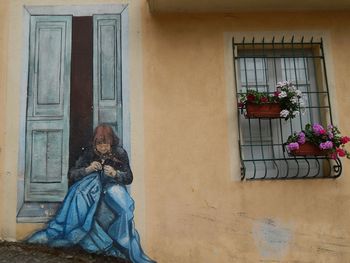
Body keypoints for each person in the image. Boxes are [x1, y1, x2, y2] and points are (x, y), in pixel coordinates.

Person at [27, 124, 156, 263]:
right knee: (80, 192)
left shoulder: (119, 153)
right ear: (94, 143)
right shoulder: (88, 153)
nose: (103, 148)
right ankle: (80, 234)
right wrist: (88, 169)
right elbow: (72, 174)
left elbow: (129, 177)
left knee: (124, 206)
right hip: (92, 190)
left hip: (112, 188)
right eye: (99, 144)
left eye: (106, 144)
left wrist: (115, 173)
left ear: (111, 142)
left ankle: (123, 240)